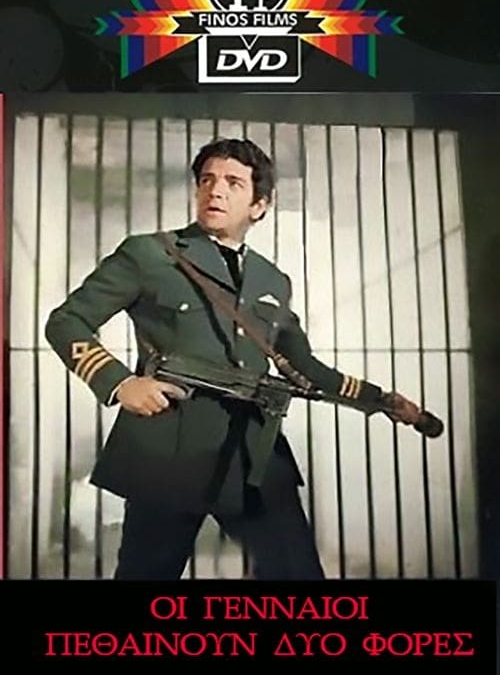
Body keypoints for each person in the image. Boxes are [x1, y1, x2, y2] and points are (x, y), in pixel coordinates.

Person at [45, 137, 421, 580]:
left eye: (232, 183)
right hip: (168, 450)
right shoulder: (149, 254)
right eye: (207, 180)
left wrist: (380, 400)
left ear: (259, 206)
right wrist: (121, 383)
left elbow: (307, 369)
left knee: (298, 578)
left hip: (254, 454)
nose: (215, 191)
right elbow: (67, 321)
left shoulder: (272, 280)